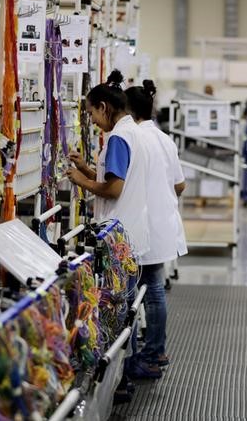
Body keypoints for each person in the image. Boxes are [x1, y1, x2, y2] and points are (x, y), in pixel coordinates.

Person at [66, 70, 160, 391]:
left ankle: (120, 382)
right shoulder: (133, 133)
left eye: (92, 113)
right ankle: (124, 376)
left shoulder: (119, 138)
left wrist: (83, 183)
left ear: (104, 107)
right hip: (131, 233)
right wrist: (86, 170)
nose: (92, 121)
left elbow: (114, 189)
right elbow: (115, 178)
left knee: (119, 312)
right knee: (126, 307)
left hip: (121, 236)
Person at [125, 80, 188, 373]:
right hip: (162, 223)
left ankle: (149, 354)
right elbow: (180, 184)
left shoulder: (132, 137)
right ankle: (156, 351)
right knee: (155, 290)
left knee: (145, 293)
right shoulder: (164, 138)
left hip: (144, 225)